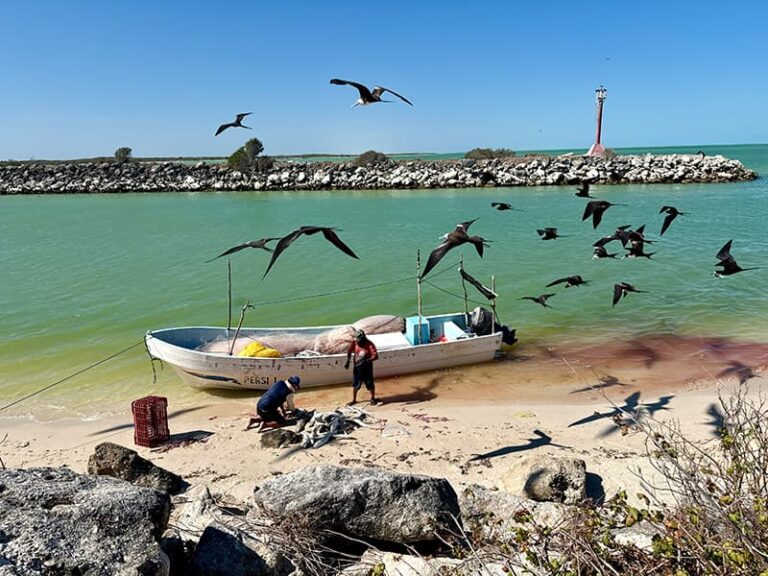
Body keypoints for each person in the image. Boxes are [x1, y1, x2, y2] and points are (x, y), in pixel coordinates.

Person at [345, 329, 379, 405]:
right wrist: (348, 361)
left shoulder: (369, 344)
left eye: (358, 339)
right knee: (355, 384)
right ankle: (354, 400)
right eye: (356, 339)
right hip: (357, 368)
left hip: (367, 368)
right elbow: (349, 351)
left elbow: (375, 356)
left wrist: (368, 360)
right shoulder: (354, 343)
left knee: (369, 383)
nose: (357, 341)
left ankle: (372, 398)